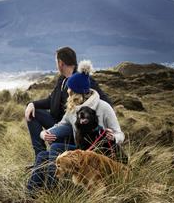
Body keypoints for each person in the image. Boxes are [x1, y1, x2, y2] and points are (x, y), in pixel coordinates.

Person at [27, 60, 125, 192]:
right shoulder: (73, 110)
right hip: (81, 151)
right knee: (42, 156)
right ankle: (30, 194)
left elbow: (120, 135)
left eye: (70, 89)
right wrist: (44, 134)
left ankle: (52, 191)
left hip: (100, 156)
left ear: (78, 93)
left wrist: (113, 137)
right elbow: (60, 125)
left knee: (55, 148)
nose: (67, 91)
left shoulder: (103, 107)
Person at [25, 47, 111, 162]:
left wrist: (95, 125)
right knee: (33, 114)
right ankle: (40, 159)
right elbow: (51, 101)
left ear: (61, 63)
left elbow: (106, 102)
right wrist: (32, 104)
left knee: (56, 133)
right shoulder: (62, 79)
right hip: (59, 122)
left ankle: (48, 156)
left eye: (56, 62)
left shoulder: (83, 79)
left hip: (74, 128)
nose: (56, 65)